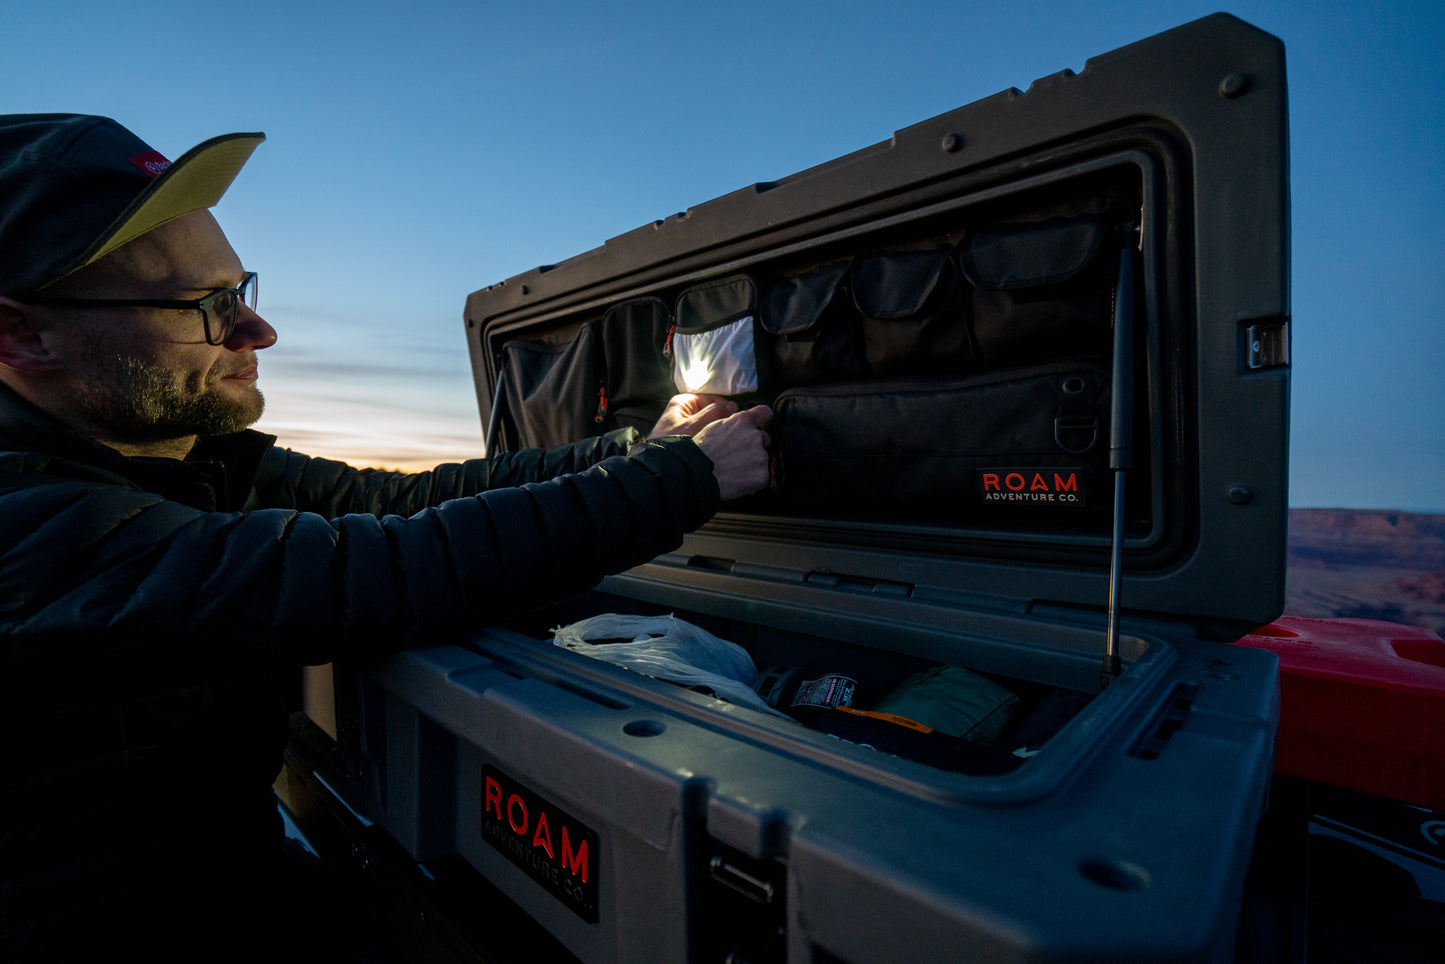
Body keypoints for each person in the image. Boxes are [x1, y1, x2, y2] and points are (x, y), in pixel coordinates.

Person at [0, 114, 773, 960]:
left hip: (235, 888)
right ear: (21, 335)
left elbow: (398, 502)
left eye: (240, 290)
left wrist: (636, 451)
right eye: (204, 308)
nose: (258, 332)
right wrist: (681, 482)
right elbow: (367, 573)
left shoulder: (174, 455)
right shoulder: (28, 520)